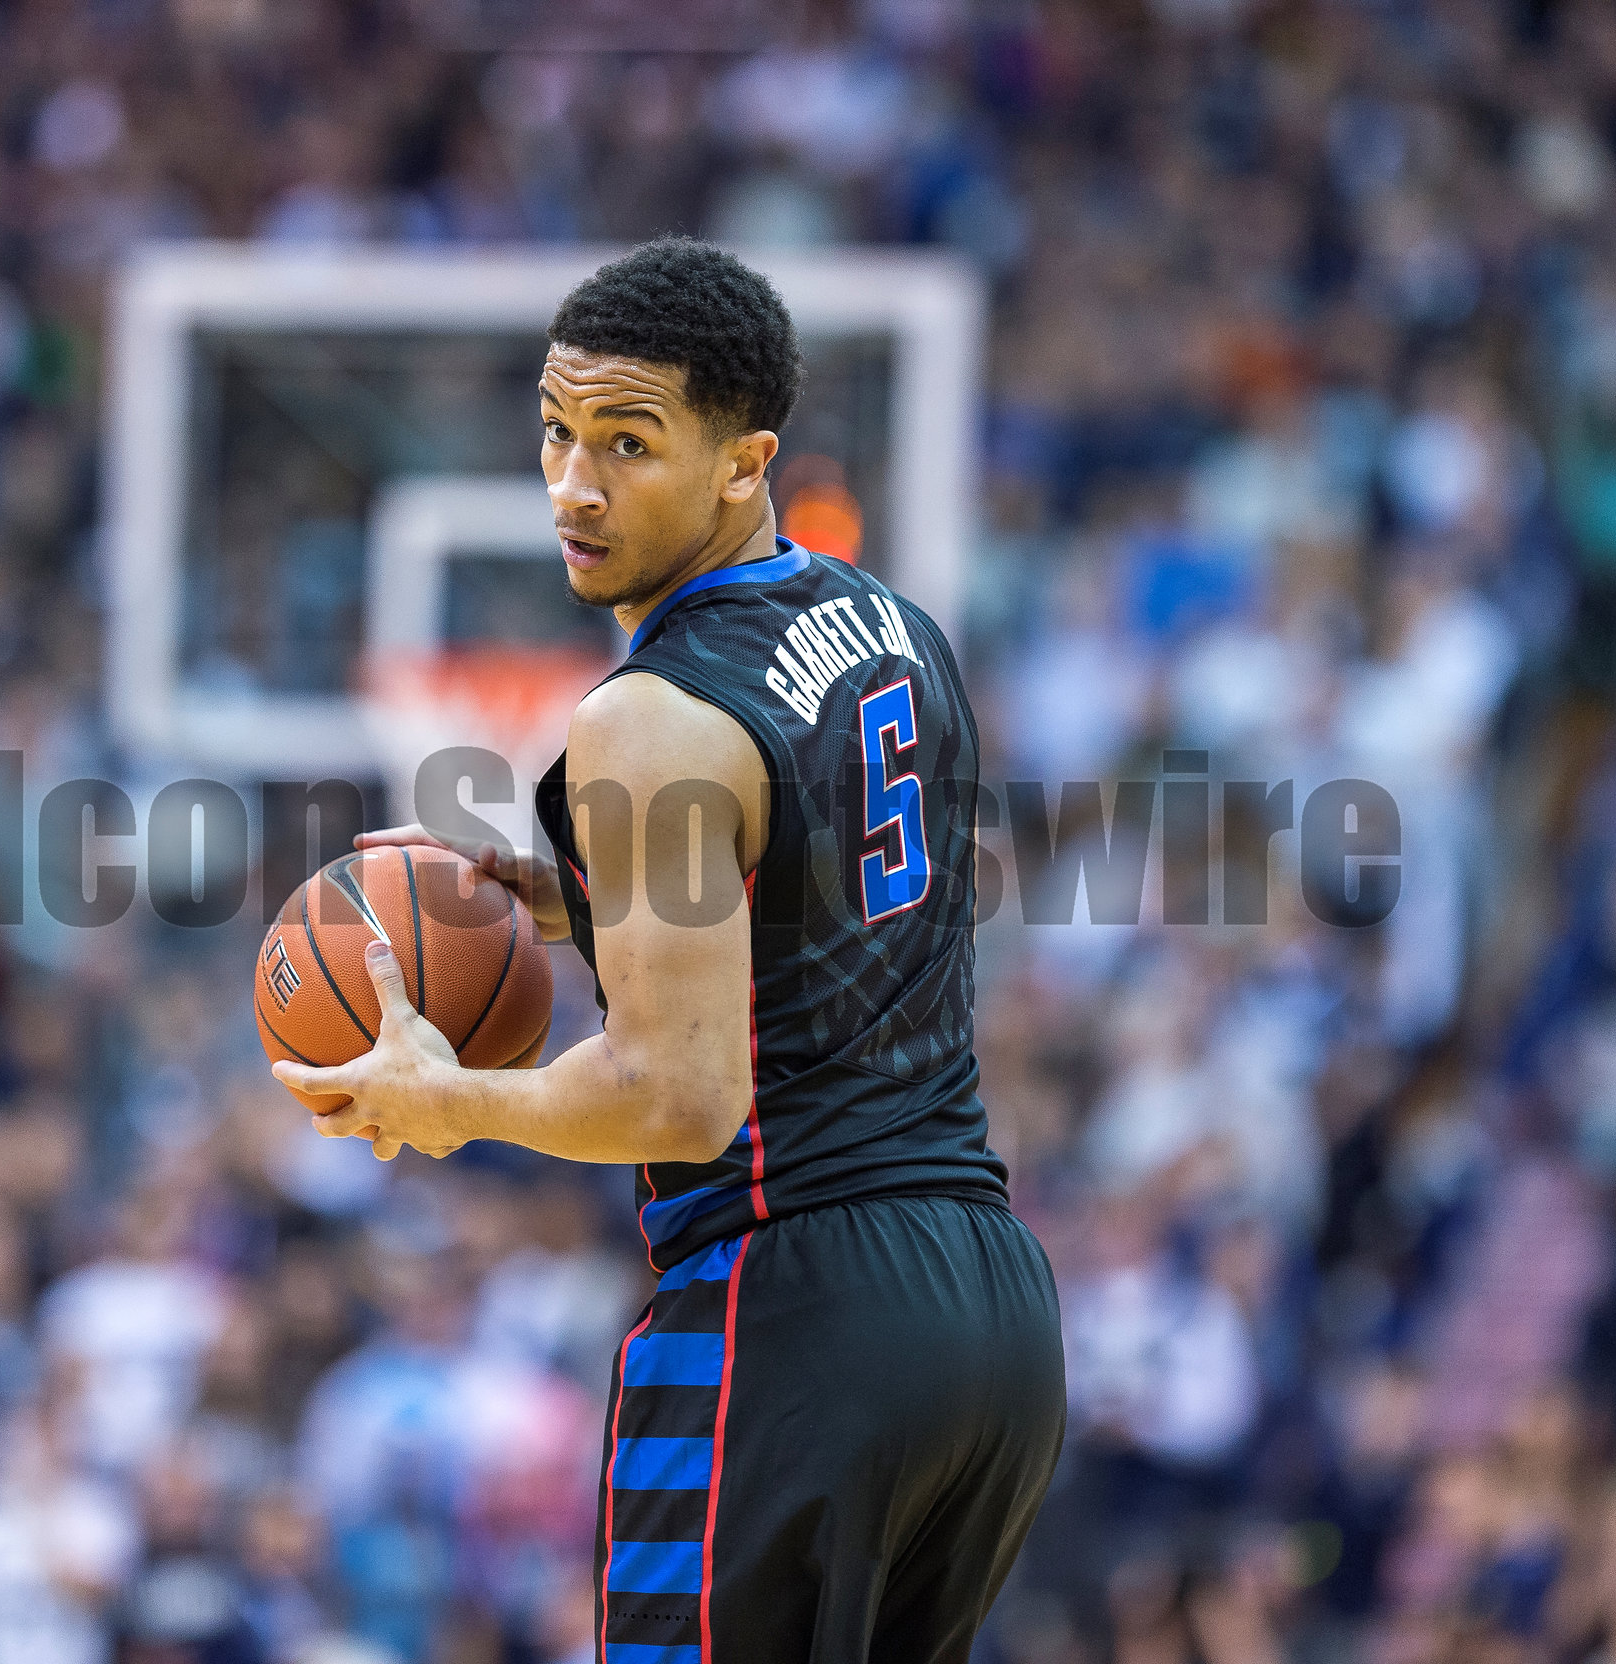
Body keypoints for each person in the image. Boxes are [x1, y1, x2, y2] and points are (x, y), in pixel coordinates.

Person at [272, 238, 1068, 1661]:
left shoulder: (647, 717)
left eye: (628, 443)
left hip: (796, 1310)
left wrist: (437, 1102)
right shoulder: (896, 628)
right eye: (557, 433)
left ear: (743, 461)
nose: (574, 483)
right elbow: (831, 910)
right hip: (987, 1320)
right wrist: (594, 904)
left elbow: (677, 1099)